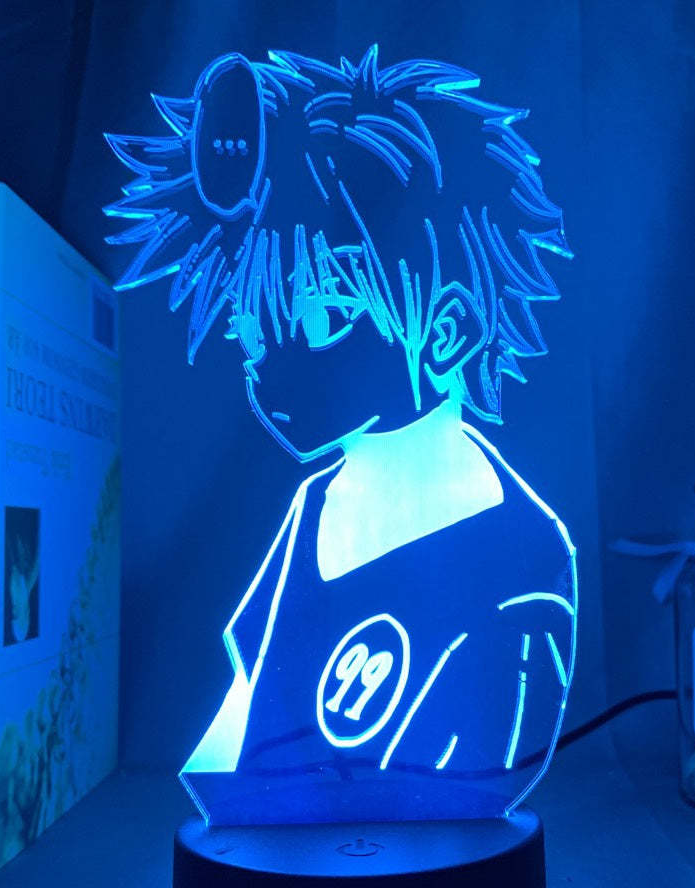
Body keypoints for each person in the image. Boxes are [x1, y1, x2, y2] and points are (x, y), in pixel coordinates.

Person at [105, 45, 577, 824]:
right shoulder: (318, 502)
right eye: (254, 326)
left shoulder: (517, 568)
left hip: (423, 861)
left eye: (325, 317)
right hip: (273, 849)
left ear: (449, 330)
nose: (271, 364)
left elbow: (462, 793)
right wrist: (227, 818)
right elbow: (240, 719)